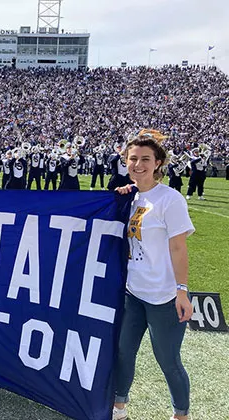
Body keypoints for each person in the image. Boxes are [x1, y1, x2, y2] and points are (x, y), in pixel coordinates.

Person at [113, 130, 193, 420]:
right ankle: (119, 407)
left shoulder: (170, 199)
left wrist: (181, 290)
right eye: (132, 159)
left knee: (168, 360)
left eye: (145, 159)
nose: (138, 164)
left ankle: (180, 415)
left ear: (158, 163)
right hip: (133, 292)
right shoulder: (129, 197)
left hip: (164, 296)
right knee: (123, 352)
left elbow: (178, 247)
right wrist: (122, 196)